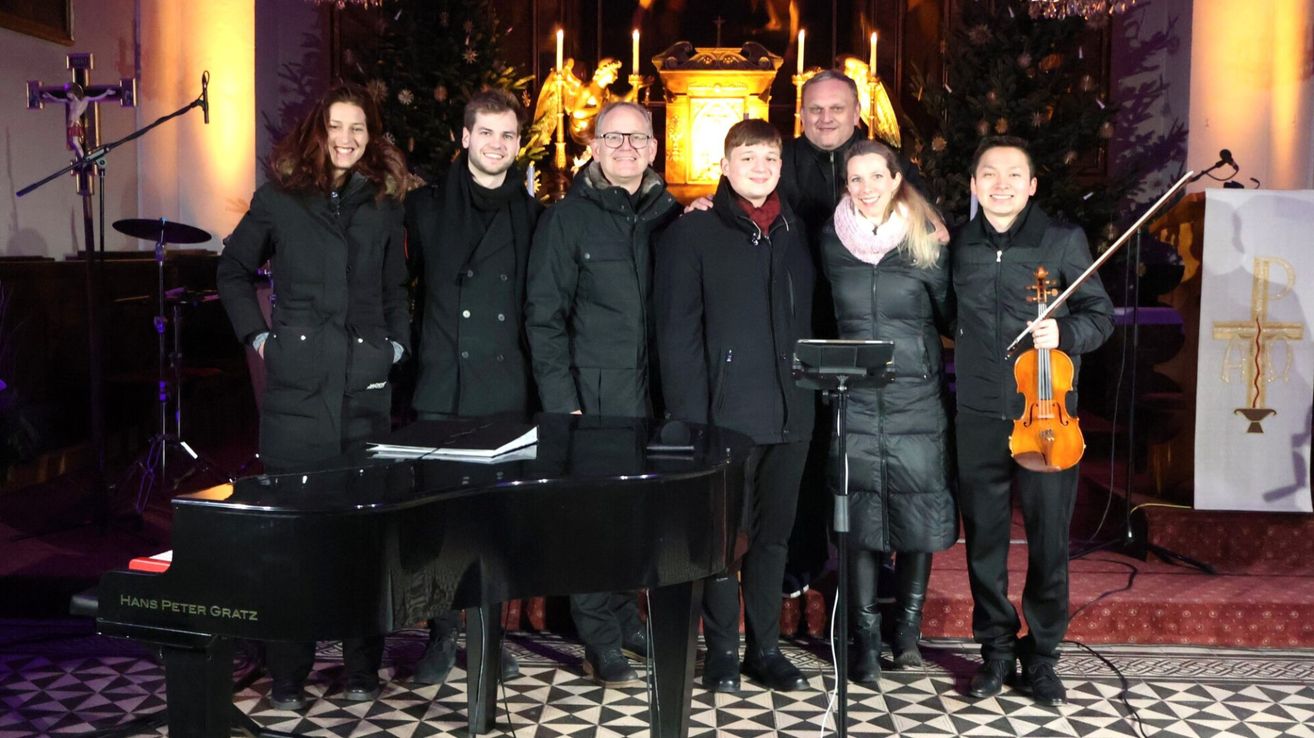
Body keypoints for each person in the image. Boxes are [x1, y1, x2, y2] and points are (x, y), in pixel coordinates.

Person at [216, 83, 411, 710]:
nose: (349, 138)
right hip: (298, 392)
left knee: (363, 536)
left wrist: (394, 348)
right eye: (338, 126)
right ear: (318, 131)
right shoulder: (279, 199)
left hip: (364, 389)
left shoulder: (382, 202)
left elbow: (395, 287)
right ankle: (290, 672)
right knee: (291, 542)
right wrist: (262, 340)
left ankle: (361, 668)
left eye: (360, 127)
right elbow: (232, 269)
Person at [524, 100, 681, 686]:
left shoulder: (670, 214)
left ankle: (621, 611)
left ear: (653, 148)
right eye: (614, 138)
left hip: (654, 396)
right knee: (594, 519)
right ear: (593, 144)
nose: (626, 148)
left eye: (637, 139)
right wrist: (563, 401)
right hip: (593, 394)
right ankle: (599, 638)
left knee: (637, 516)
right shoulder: (568, 218)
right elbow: (544, 317)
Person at [952, 136, 1113, 706]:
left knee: (1048, 541)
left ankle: (1041, 656)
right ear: (973, 185)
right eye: (989, 174)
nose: (1001, 184)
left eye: (1014, 174)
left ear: (1032, 184)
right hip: (977, 412)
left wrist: (1065, 334)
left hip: (1045, 413)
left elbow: (1100, 317)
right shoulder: (958, 242)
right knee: (985, 543)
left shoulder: (1061, 240)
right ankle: (995, 650)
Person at [656, 119, 816, 693]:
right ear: (724, 165)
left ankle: (765, 650)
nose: (760, 168)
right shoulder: (691, 233)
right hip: (722, 420)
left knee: (774, 540)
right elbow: (677, 336)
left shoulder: (798, 230)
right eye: (747, 158)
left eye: (770, 159)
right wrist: (693, 420)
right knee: (725, 544)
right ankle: (723, 650)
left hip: (791, 415)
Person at [403, 88, 543, 686]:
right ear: (464, 137)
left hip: (504, 385)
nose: (497, 144)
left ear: (518, 143)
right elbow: (394, 290)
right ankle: (440, 635)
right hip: (440, 383)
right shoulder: (424, 208)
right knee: (436, 523)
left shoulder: (534, 214)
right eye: (486, 132)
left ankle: (488, 636)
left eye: (508, 135)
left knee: (494, 523)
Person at [817, 139, 957, 684]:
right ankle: (867, 641)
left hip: (915, 398)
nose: (867, 188)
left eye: (877, 176)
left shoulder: (927, 238)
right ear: (846, 185)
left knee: (918, 515)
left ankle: (907, 635)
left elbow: (949, 314)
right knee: (861, 519)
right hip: (853, 398)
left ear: (897, 179)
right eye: (856, 179)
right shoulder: (831, 239)